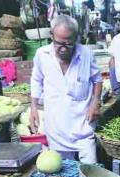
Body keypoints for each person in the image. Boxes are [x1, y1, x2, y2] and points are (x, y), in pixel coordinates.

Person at [30, 15, 102, 163]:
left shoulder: (86, 54)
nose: (63, 48)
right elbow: (36, 80)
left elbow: (97, 79)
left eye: (69, 44)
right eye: (59, 43)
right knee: (63, 173)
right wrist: (33, 108)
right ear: (52, 36)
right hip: (56, 128)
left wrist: (95, 102)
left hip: (83, 126)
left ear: (76, 38)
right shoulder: (42, 55)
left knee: (90, 170)